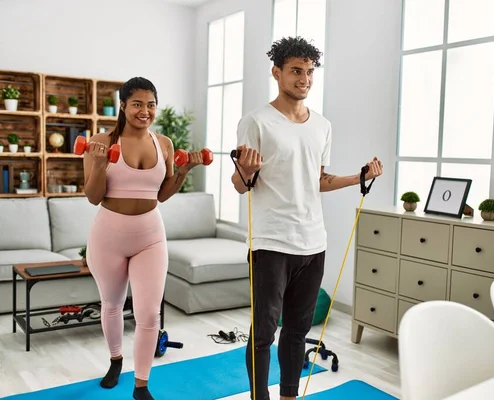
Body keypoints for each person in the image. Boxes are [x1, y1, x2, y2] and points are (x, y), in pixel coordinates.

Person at [232, 37, 383, 400]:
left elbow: (317, 179)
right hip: (270, 242)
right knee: (265, 332)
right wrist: (246, 171)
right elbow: (241, 184)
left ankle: (288, 396)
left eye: (309, 72)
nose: (304, 79)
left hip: (313, 242)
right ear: (277, 72)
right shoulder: (255, 122)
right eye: (296, 71)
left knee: (298, 330)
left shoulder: (322, 125)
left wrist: (357, 177)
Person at [83, 77, 207, 400]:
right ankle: (115, 360)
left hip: (150, 235)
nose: (145, 111)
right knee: (111, 304)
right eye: (137, 104)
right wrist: (99, 163)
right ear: (123, 105)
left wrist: (182, 172)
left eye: (151, 104)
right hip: (109, 234)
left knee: (149, 313)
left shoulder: (163, 144)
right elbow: (93, 196)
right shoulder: (100, 141)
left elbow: (162, 194)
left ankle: (141, 385)